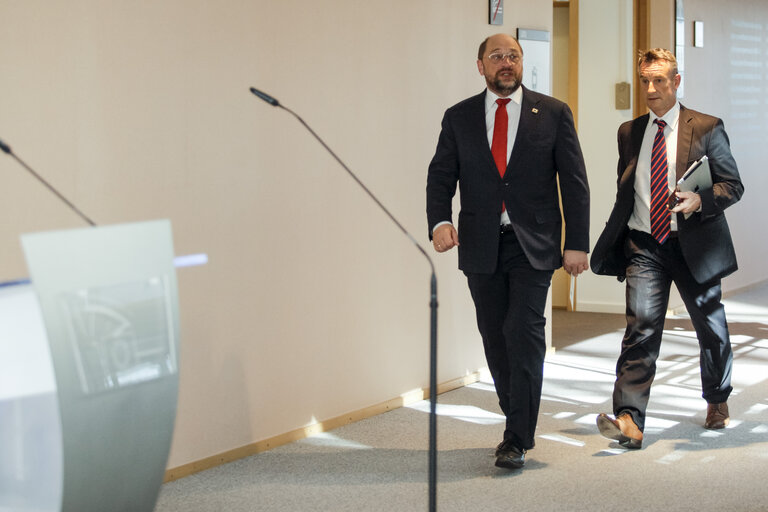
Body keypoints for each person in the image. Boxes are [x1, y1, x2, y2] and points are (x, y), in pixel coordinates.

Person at [426, 33, 590, 469]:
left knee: (523, 331)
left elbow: (573, 183)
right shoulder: (458, 117)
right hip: (480, 243)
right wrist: (440, 221)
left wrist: (576, 243)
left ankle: (516, 436)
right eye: (497, 56)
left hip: (532, 244)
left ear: (522, 64)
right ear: (480, 66)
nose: (506, 63)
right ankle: (515, 410)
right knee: (495, 336)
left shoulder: (552, 113)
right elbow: (441, 175)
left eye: (513, 56)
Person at [591, 48, 744, 449]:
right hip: (646, 244)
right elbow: (628, 189)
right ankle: (629, 419)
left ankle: (717, 398)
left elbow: (732, 185)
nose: (651, 88)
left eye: (660, 81)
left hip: (695, 243)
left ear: (677, 82)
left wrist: (701, 200)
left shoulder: (708, 127)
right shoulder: (629, 131)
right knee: (639, 329)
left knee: (710, 328)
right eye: (645, 81)